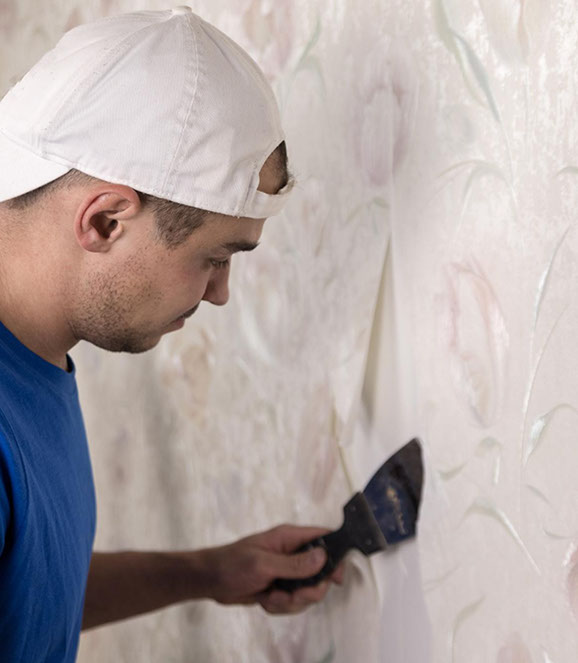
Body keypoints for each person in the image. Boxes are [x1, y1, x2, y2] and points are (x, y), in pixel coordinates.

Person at [0, 7, 343, 662]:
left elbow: (28, 591)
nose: (219, 292)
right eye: (214, 258)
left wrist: (208, 572)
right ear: (105, 221)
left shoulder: (34, 356)